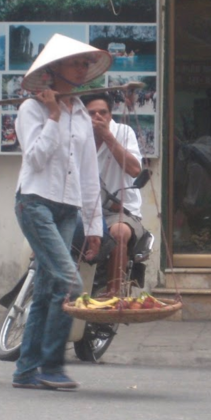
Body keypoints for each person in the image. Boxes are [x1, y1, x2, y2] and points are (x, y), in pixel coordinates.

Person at [11, 34, 112, 390]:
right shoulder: (31, 110)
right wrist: (53, 115)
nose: (83, 69)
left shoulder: (83, 114)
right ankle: (52, 366)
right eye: (76, 63)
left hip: (68, 210)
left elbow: (88, 175)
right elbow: (35, 159)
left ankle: (26, 370)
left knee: (47, 289)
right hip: (35, 203)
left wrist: (95, 226)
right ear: (53, 71)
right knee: (69, 284)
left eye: (86, 63)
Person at [81, 93, 144, 296]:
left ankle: (114, 293)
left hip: (119, 210)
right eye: (91, 113)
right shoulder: (78, 136)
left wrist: (107, 136)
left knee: (118, 232)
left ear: (110, 115)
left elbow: (135, 170)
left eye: (103, 112)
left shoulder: (123, 132)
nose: (98, 117)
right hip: (84, 209)